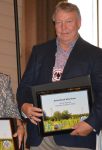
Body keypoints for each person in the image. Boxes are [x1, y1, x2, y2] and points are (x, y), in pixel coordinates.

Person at [17, 1, 102, 150]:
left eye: (69, 21)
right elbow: (24, 87)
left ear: (79, 23)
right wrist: (25, 107)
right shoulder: (39, 52)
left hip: (77, 136)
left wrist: (91, 124)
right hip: (40, 137)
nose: (63, 28)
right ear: (54, 24)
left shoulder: (95, 55)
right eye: (59, 22)